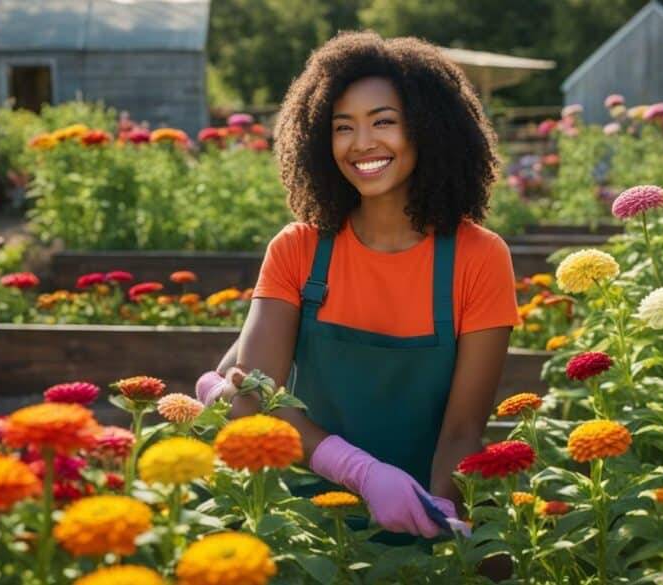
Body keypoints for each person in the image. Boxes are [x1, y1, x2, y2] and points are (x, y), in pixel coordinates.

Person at [195, 30, 519, 540]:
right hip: (305, 524)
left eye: (383, 122)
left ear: (429, 129)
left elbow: (461, 431)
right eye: (343, 127)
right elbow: (253, 402)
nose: (362, 143)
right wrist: (362, 473)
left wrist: (440, 519)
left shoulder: (478, 258)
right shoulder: (299, 249)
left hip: (421, 511)